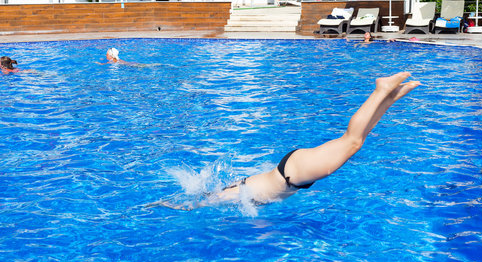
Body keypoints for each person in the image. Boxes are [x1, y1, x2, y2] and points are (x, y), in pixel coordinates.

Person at [151, 72, 420, 211]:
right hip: (293, 170)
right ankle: (389, 97)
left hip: (292, 174)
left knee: (350, 142)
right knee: (354, 142)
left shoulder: (226, 194)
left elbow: (200, 202)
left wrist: (172, 205)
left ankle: (381, 89)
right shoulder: (236, 190)